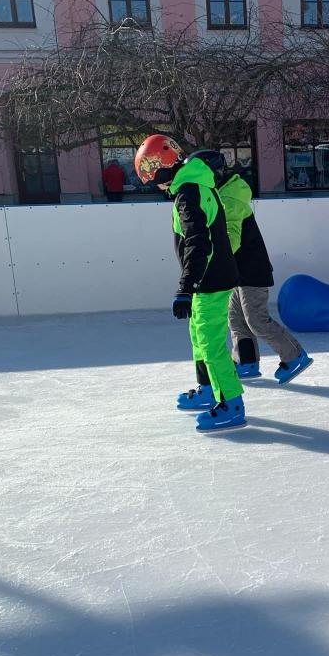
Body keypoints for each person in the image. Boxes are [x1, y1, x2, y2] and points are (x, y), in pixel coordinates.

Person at [134, 134, 246, 433]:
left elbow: (199, 243)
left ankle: (231, 403)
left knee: (210, 342)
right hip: (206, 277)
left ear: (163, 167)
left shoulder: (188, 192)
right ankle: (208, 389)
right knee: (198, 335)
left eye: (151, 174)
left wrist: (185, 287)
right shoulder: (192, 185)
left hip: (211, 279)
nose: (154, 184)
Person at [228, 175, 313, 385]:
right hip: (237, 272)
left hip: (252, 271)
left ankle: (294, 356)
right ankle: (245, 361)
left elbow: (231, 240)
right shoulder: (222, 198)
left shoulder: (229, 200)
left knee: (256, 320)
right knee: (236, 319)